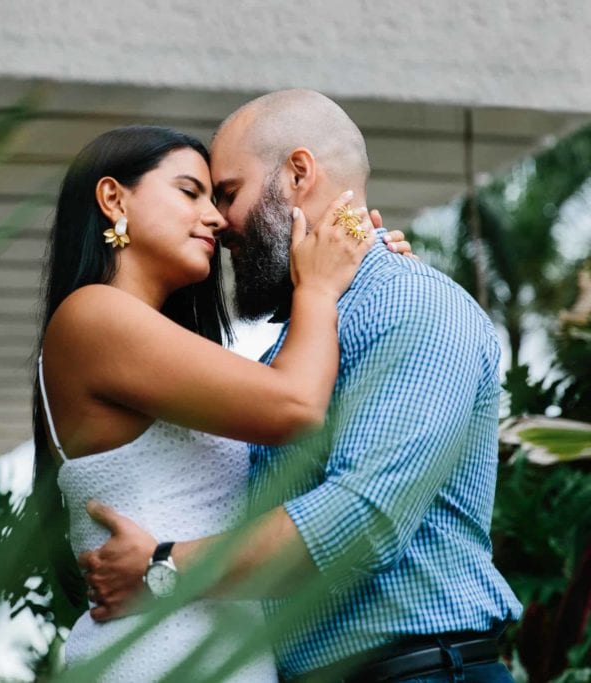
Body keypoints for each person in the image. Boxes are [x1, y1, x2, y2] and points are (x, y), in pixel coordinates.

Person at [78, 90, 523, 682]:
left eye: (228, 194)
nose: (219, 223)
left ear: (297, 174)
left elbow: (365, 519)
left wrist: (164, 570)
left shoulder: (412, 303)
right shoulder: (293, 351)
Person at [32, 123, 410, 680]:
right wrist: (320, 288)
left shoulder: (162, 349)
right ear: (113, 198)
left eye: (217, 197)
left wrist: (364, 270)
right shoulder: (92, 316)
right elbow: (295, 406)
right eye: (190, 192)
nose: (215, 217)